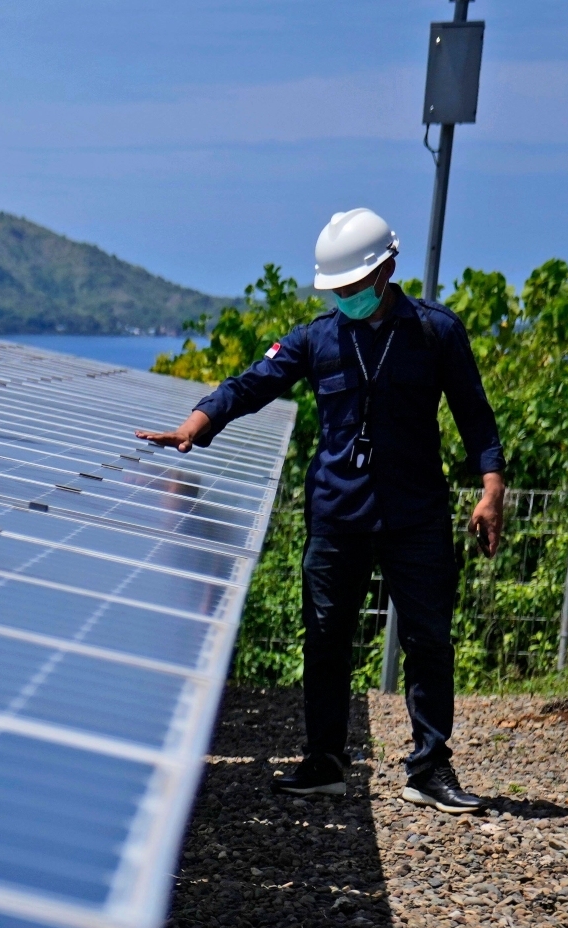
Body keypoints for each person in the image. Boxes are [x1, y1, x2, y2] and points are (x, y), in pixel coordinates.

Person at [139, 208, 507, 813]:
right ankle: (325, 762)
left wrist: (491, 487)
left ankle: (430, 768)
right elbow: (253, 382)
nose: (345, 298)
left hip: (416, 513)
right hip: (337, 513)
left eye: (353, 287)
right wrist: (196, 425)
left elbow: (474, 414)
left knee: (429, 639)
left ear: (388, 268)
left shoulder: (437, 332)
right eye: (336, 289)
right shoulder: (317, 337)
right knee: (325, 636)